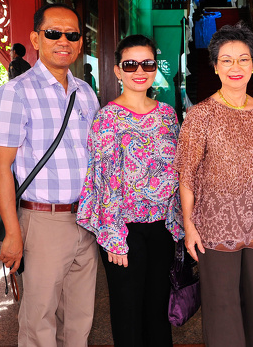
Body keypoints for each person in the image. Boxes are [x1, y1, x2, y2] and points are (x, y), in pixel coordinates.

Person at [0, 3, 100, 346]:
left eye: (72, 35)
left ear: (80, 43)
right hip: (42, 221)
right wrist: (13, 233)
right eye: (53, 33)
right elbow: (0, 167)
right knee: (39, 321)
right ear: (36, 39)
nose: (63, 41)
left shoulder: (86, 92)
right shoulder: (16, 93)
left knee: (80, 319)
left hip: (86, 219)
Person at [174, 21, 253, 347]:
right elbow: (186, 173)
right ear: (215, 66)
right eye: (226, 60)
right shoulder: (201, 115)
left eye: (243, 59)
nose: (235, 67)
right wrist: (189, 226)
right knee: (222, 311)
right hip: (215, 228)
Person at [77, 35, 184, 347]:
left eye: (147, 64)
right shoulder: (107, 117)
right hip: (124, 229)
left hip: (163, 227)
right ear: (117, 70)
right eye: (130, 64)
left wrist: (179, 223)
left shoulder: (167, 114)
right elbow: (103, 179)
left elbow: (177, 170)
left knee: (158, 314)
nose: (140, 71)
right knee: (128, 315)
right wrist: (113, 236)